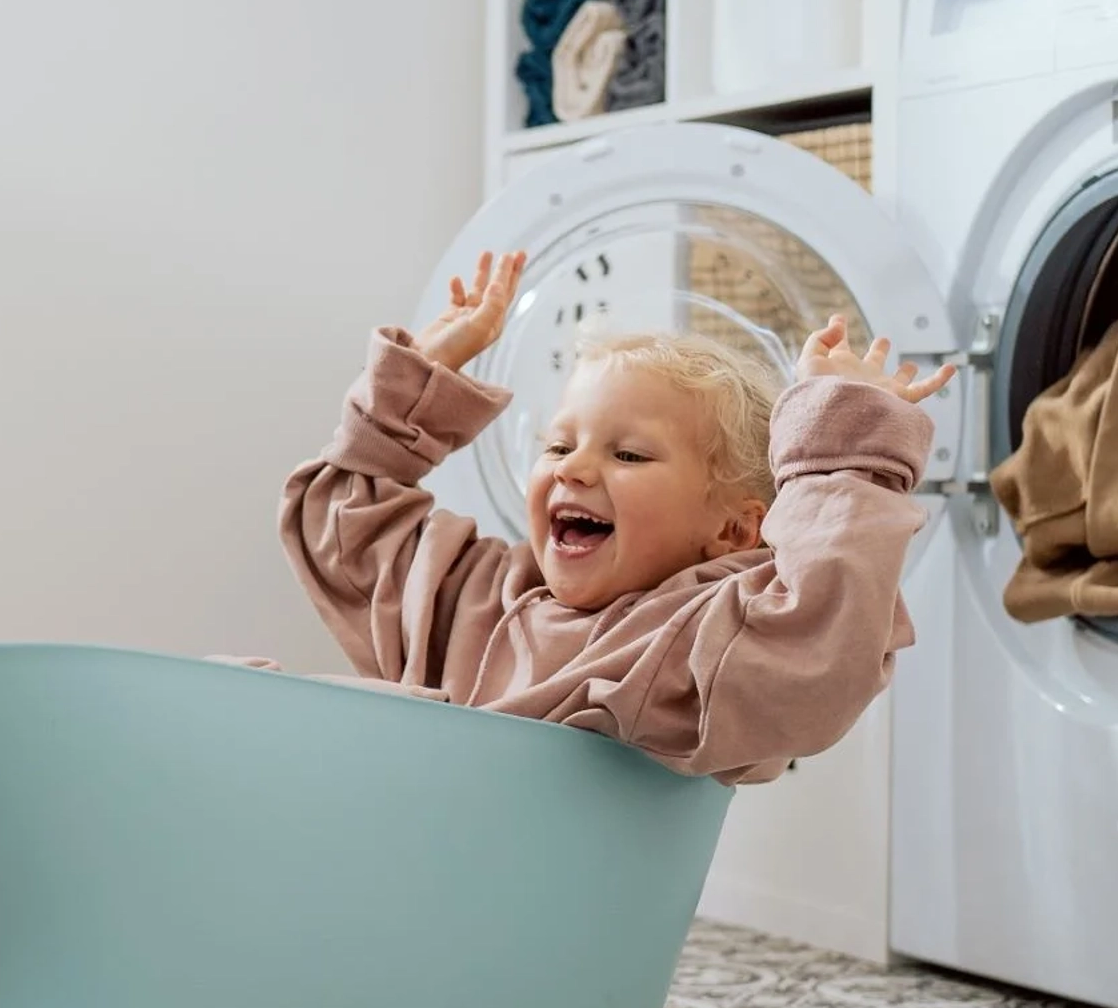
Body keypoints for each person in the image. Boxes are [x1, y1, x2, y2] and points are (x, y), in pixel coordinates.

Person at [274, 249, 956, 785]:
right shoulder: (481, 597)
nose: (572, 468)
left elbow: (822, 643)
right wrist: (418, 380)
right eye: (558, 446)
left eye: (628, 454)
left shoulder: (693, 645)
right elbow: (346, 530)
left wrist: (841, 453)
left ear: (731, 531)